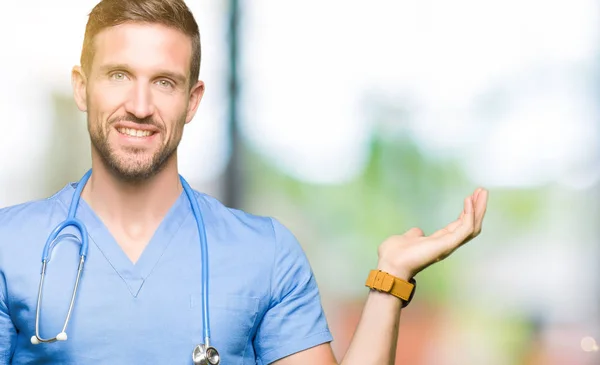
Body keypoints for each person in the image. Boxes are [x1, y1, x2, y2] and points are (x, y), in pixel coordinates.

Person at [0, 0, 488, 364]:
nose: (141, 105)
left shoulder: (266, 253)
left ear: (193, 101)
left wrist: (391, 280)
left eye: (165, 82)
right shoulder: (8, 246)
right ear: (82, 87)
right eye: (119, 75)